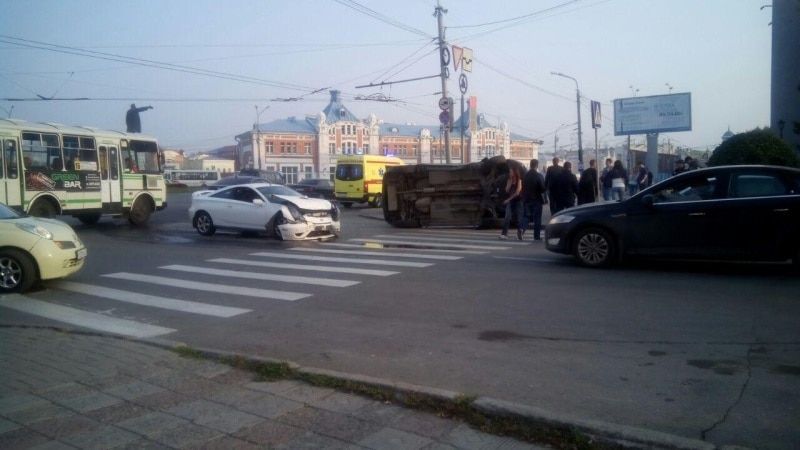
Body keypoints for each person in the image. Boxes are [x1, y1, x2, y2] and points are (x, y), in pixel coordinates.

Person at [520, 159, 546, 240]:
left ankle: (522, 229)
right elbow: (542, 189)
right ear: (536, 165)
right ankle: (536, 236)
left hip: (526, 199)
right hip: (536, 200)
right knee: (537, 218)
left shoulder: (525, 176)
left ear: (530, 165)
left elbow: (522, 187)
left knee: (526, 216)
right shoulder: (539, 176)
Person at [499, 164, 524, 240]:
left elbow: (517, 192)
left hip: (518, 201)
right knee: (507, 217)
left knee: (519, 218)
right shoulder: (509, 180)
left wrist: (508, 200)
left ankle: (520, 233)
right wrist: (509, 183)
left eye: (511, 172)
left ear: (515, 172)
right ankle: (504, 234)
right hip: (510, 202)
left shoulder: (519, 180)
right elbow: (506, 190)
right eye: (509, 172)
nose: (509, 173)